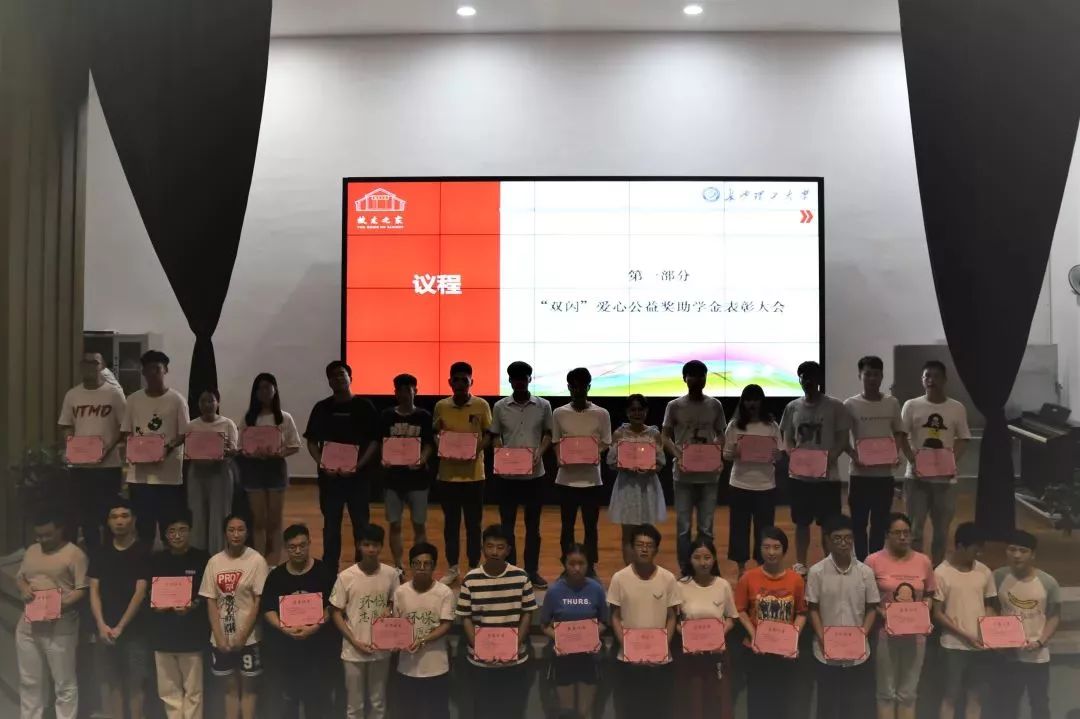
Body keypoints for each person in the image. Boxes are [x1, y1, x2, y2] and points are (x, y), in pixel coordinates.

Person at [456, 524, 537, 719]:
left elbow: (527, 614)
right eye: (490, 546)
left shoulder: (521, 577)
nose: (494, 552)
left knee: (513, 711)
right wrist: (480, 647)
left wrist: (513, 646)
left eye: (500, 547)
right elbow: (465, 617)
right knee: (483, 711)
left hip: (514, 661)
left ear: (508, 550)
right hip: (480, 663)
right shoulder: (470, 579)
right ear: (482, 548)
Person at [305, 360, 380, 567]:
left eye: (342, 374)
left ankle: (362, 566)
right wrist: (322, 463)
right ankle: (330, 568)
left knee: (361, 524)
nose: (338, 378)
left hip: (358, 478)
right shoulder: (322, 408)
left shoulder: (364, 407)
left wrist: (359, 465)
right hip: (330, 479)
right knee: (331, 525)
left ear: (350, 378)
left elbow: (375, 441)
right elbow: (311, 442)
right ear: (329, 382)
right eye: (333, 376)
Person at [779, 360, 850, 575]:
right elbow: (787, 438)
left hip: (828, 478)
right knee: (801, 523)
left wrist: (828, 459)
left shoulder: (835, 406)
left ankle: (829, 563)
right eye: (804, 377)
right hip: (800, 478)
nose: (808, 381)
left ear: (819, 379)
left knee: (829, 524)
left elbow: (842, 439)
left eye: (812, 377)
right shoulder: (792, 407)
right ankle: (801, 564)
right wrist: (793, 455)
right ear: (799, 380)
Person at [806, 514, 880, 719]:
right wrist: (823, 637)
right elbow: (812, 608)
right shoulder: (816, 572)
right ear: (827, 540)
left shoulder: (865, 572)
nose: (843, 543)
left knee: (853, 708)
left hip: (857, 653)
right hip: (825, 652)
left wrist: (862, 635)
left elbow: (872, 608)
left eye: (848, 538)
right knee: (826, 707)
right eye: (837, 538)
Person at [16, 512, 88, 719]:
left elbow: (82, 588)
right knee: (29, 680)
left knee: (64, 682)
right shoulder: (32, 550)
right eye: (39, 535)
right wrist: (24, 589)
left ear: (60, 529)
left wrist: (59, 604)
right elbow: (20, 577)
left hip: (60, 625)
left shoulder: (74, 554)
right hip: (29, 623)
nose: (42, 539)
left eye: (47, 535)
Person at [260, 524, 337, 719]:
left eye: (302, 545)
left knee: (318, 700)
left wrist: (315, 627)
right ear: (285, 547)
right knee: (288, 700)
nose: (298, 550)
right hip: (287, 650)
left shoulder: (324, 571)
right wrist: (283, 627)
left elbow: (333, 606)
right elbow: (268, 609)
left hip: (318, 649)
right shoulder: (276, 576)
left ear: (309, 543)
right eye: (292, 547)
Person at [865, 512, 936, 719]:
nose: (903, 537)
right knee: (886, 692)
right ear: (887, 535)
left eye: (906, 533)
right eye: (897, 533)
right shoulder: (872, 561)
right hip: (885, 635)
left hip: (916, 636)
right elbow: (868, 599)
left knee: (908, 693)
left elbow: (929, 593)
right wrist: (884, 614)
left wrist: (923, 615)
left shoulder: (923, 561)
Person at [490, 361, 554, 588]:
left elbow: (548, 434)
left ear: (529, 379)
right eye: (515, 378)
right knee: (507, 527)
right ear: (510, 380)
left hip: (534, 476)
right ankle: (510, 570)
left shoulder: (543, 405)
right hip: (507, 478)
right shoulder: (500, 406)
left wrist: (540, 452)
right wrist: (500, 453)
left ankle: (532, 571)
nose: (519, 382)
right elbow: (495, 435)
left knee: (533, 527)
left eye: (523, 378)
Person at [902, 360, 971, 566]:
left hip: (945, 481)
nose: (931, 380)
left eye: (936, 376)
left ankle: (937, 568)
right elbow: (901, 436)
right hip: (916, 479)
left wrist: (950, 461)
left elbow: (963, 438)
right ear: (922, 380)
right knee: (915, 529)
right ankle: (916, 569)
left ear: (945, 379)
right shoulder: (911, 405)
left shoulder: (956, 408)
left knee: (941, 531)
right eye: (927, 376)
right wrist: (913, 460)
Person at [200, 514, 269, 719]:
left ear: (247, 532)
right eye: (231, 530)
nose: (236, 534)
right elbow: (210, 601)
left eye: (240, 529)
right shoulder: (214, 562)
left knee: (248, 689)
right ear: (225, 533)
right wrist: (219, 637)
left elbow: (258, 601)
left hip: (249, 638)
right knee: (228, 688)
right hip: (221, 638)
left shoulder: (256, 560)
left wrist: (243, 635)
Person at [608, 524, 680, 719]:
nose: (644, 549)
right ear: (631, 548)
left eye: (649, 545)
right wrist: (627, 646)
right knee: (630, 710)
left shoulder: (668, 578)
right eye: (640, 545)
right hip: (628, 660)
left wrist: (662, 646)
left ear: (656, 549)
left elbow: (672, 617)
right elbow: (615, 616)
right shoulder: (619, 578)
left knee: (659, 710)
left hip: (660, 661)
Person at [88, 497, 152, 719]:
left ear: (133, 520)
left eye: (124, 516)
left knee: (136, 684)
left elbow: (140, 592)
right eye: (114, 517)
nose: (119, 521)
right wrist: (101, 625)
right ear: (108, 522)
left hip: (135, 630)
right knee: (109, 683)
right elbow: (93, 590)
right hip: (105, 630)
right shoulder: (100, 552)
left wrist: (121, 626)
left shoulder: (143, 551)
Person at [734, 526, 807, 719]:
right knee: (757, 703)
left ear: (784, 550)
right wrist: (754, 634)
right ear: (759, 549)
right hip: (757, 651)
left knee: (783, 703)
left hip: (784, 653)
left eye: (776, 547)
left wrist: (793, 638)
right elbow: (740, 610)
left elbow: (802, 612)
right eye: (766, 547)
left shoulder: (796, 580)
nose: (771, 552)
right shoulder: (748, 578)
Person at [662, 360, 727, 571]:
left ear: (706, 378)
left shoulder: (715, 405)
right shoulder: (674, 406)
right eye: (692, 375)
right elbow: (665, 437)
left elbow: (721, 434)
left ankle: (705, 566)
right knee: (684, 527)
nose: (697, 379)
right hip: (683, 475)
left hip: (709, 475)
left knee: (706, 527)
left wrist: (715, 453)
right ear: (685, 378)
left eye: (701, 375)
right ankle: (685, 568)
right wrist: (678, 455)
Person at [58, 351, 126, 551]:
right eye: (85, 362)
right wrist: (72, 445)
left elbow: (125, 427)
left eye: (94, 362)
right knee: (86, 515)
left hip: (108, 466)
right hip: (81, 467)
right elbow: (66, 425)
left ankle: (111, 554)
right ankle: (94, 554)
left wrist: (106, 449)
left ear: (102, 366)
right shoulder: (72, 394)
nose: (89, 366)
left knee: (109, 513)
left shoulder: (114, 394)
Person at [330, 523, 400, 719]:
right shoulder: (346, 577)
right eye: (367, 544)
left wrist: (389, 610)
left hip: (381, 649)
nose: (371, 549)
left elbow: (396, 604)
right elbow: (336, 612)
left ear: (381, 546)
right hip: (353, 651)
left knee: (378, 702)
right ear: (359, 546)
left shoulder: (391, 574)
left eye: (375, 545)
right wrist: (354, 641)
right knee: (354, 705)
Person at [989, 530, 1060, 719]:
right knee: (1007, 704)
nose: (1017, 555)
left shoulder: (1048, 582)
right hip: (1008, 655)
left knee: (1039, 704)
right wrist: (997, 640)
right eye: (1012, 549)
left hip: (1037, 655)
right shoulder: (997, 577)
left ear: (1033, 554)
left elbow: (1054, 616)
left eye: (1023, 551)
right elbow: (991, 609)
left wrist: (1040, 641)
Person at [121, 349, 190, 545]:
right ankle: (145, 561)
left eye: (157, 369)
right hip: (140, 476)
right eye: (148, 369)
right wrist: (136, 449)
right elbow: (126, 432)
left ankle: (168, 562)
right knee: (144, 527)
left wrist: (167, 447)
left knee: (169, 525)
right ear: (143, 372)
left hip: (168, 476)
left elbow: (185, 433)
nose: (153, 373)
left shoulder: (177, 400)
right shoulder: (133, 400)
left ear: (165, 370)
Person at [432, 361, 492, 585]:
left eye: (464, 380)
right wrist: (441, 446)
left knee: (474, 525)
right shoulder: (441, 406)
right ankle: (452, 567)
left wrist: (475, 450)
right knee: (451, 524)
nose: (459, 384)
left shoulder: (481, 405)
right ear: (450, 382)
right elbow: (435, 433)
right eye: (455, 380)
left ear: (471, 382)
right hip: (447, 476)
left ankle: (474, 567)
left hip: (474, 476)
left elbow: (488, 434)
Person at [146, 510, 209, 719]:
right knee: (168, 691)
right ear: (165, 535)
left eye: (182, 530)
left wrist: (193, 605)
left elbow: (207, 593)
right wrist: (155, 605)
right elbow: (148, 593)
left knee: (194, 690)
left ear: (190, 531)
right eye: (172, 531)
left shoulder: (202, 558)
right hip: (163, 635)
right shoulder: (157, 560)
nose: (177, 535)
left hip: (192, 634)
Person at [933, 522, 997, 719]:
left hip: (980, 645)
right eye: (975, 550)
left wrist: (987, 630)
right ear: (960, 546)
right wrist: (965, 634)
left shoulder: (984, 571)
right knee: (950, 696)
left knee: (975, 696)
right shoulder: (941, 573)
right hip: (953, 645)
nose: (978, 554)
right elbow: (937, 613)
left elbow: (989, 604)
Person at [238, 373, 302, 566]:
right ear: (255, 392)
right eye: (260, 388)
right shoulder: (248, 418)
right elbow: (240, 446)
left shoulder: (284, 418)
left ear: (275, 389)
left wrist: (280, 452)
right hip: (254, 471)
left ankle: (274, 562)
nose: (264, 391)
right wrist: (250, 453)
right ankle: (259, 562)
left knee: (274, 520)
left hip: (275, 470)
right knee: (259, 520)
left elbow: (295, 445)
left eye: (268, 387)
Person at [844, 356, 905, 560]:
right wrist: (854, 455)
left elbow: (898, 431)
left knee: (880, 523)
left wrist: (895, 452)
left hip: (884, 476)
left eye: (876, 374)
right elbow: (842, 437)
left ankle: (876, 562)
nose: (872, 378)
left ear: (882, 376)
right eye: (867, 374)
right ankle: (861, 562)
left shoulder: (892, 403)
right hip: (859, 475)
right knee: (858, 523)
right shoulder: (850, 404)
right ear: (860, 376)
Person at [552, 367, 612, 573]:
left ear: (589, 387)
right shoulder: (559, 413)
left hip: (592, 480)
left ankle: (590, 567)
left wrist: (592, 452)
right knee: (567, 527)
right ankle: (567, 566)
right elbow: (556, 441)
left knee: (590, 527)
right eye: (574, 386)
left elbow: (606, 441)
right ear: (568, 387)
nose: (578, 390)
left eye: (582, 386)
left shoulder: (601, 413)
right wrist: (560, 457)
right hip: (566, 480)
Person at [540, 543, 609, 719]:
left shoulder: (596, 589)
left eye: (581, 563)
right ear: (565, 564)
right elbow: (544, 625)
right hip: (564, 659)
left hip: (589, 658)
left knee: (584, 713)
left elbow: (604, 622)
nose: (577, 568)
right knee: (567, 712)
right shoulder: (554, 591)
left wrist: (591, 636)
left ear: (588, 564)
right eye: (572, 563)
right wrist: (561, 639)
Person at [675, 537, 738, 719]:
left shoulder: (722, 585)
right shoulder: (680, 586)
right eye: (697, 557)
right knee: (692, 705)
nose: (703, 562)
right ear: (689, 559)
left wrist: (719, 636)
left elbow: (731, 618)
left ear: (714, 559)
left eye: (707, 557)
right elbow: (675, 621)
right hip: (691, 658)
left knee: (717, 704)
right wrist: (688, 639)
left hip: (717, 656)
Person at [723, 384, 782, 576]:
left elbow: (780, 453)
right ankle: (741, 569)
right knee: (739, 528)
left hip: (766, 485)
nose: (752, 403)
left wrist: (777, 454)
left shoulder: (772, 426)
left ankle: (760, 567)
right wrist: (735, 452)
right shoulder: (734, 425)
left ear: (762, 402)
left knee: (764, 529)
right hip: (740, 483)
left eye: (756, 399)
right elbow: (726, 454)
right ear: (743, 402)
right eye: (748, 399)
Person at [391, 542, 456, 719]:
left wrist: (423, 639)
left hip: (437, 667)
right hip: (407, 667)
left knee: (438, 713)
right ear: (411, 565)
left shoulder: (444, 592)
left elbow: (446, 624)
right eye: (417, 563)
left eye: (427, 564)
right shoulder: (400, 592)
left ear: (434, 566)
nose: (421, 568)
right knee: (407, 713)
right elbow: (396, 624)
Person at [379, 373, 434, 575]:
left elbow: (429, 444)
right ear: (395, 393)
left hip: (417, 480)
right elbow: (381, 442)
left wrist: (422, 459)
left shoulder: (424, 416)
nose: (403, 394)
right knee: (394, 524)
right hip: (392, 479)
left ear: (415, 391)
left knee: (419, 524)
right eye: (399, 390)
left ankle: (420, 564)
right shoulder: (386, 415)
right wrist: (383, 458)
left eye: (407, 390)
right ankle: (398, 565)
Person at [608, 394, 667, 566]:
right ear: (627, 412)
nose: (637, 413)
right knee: (627, 533)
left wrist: (650, 468)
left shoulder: (654, 434)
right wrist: (624, 466)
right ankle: (629, 572)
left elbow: (661, 463)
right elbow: (611, 462)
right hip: (627, 487)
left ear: (646, 411)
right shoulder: (619, 433)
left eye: (640, 409)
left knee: (646, 532)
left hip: (647, 487)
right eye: (633, 409)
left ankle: (644, 568)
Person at [186, 388, 239, 557]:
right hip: (197, 473)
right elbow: (187, 450)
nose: (207, 404)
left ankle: (219, 553)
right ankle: (197, 553)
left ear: (218, 402)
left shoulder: (228, 424)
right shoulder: (191, 425)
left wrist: (223, 452)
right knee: (197, 513)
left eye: (211, 400)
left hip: (220, 473)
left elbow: (233, 449)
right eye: (203, 401)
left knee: (220, 513)